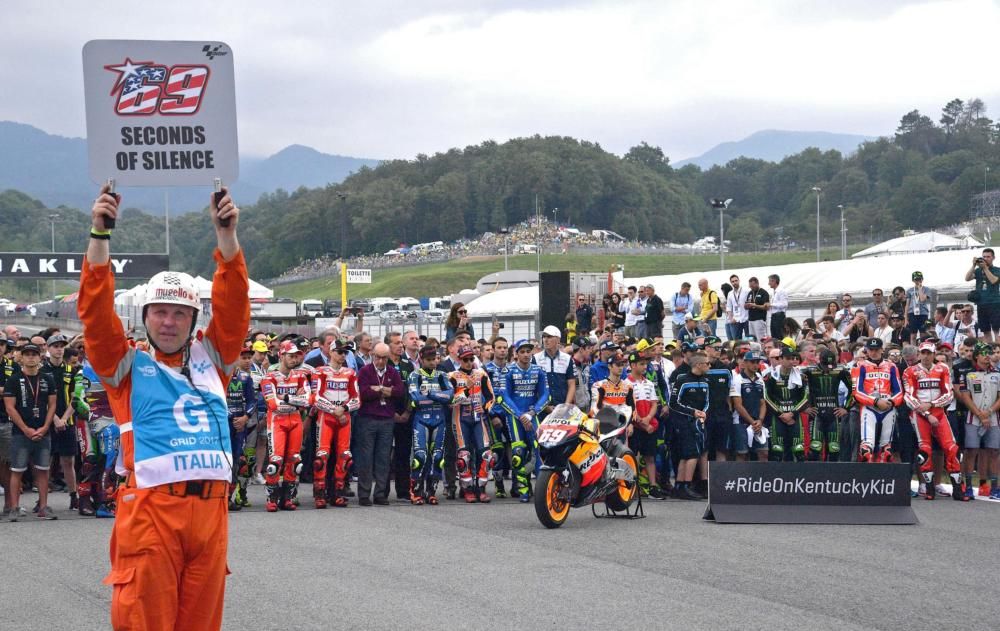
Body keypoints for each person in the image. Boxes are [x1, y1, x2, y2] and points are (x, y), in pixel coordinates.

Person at [79, 182, 248, 631]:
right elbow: (95, 314)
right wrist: (99, 235)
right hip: (152, 514)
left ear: (194, 319)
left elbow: (234, 309)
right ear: (145, 316)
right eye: (160, 312)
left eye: (179, 313)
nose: (169, 321)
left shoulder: (213, 360)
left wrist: (226, 238)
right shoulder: (125, 365)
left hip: (211, 518)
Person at [905, 341, 966, 500]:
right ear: (919, 354)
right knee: (925, 449)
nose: (925, 356)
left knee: (952, 448)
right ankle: (929, 488)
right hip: (919, 415)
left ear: (933, 354)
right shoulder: (910, 371)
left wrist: (932, 405)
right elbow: (909, 398)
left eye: (929, 353)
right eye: (923, 353)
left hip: (938, 412)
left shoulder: (943, 368)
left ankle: (958, 490)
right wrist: (926, 413)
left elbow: (949, 394)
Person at [4, 343, 58, 520]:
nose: (30, 357)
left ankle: (43, 507)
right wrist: (25, 429)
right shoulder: (13, 379)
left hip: (43, 432)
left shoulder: (47, 379)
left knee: (43, 470)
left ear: (40, 356)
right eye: (27, 354)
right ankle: (14, 508)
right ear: (21, 357)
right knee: (17, 470)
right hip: (21, 433)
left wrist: (45, 427)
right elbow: (10, 408)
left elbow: (52, 405)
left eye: (34, 354)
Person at [260, 341, 312, 511]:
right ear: (281, 356)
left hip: (296, 420)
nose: (294, 359)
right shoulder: (269, 378)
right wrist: (294, 401)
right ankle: (272, 498)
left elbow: (309, 400)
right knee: (276, 460)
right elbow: (273, 404)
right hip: (277, 421)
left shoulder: (300, 376)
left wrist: (288, 400)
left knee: (295, 460)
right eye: (290, 356)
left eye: (296, 356)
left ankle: (288, 497)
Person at [499, 339, 550, 501]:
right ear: (516, 354)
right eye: (522, 352)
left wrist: (531, 413)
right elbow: (502, 397)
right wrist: (520, 415)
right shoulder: (507, 371)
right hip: (515, 418)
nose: (526, 354)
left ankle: (542, 489)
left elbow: (546, 396)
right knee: (518, 453)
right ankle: (523, 490)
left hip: (532, 415)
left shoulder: (539, 371)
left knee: (539, 451)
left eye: (529, 351)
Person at [311, 339, 360, 508]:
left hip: (344, 418)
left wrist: (344, 408)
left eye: (345, 352)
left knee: (345, 456)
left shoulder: (350, 373)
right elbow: (315, 397)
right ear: (331, 352)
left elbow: (357, 399)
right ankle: (319, 493)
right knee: (322, 456)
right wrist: (334, 410)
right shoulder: (320, 372)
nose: (342, 355)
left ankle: (338, 492)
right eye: (339, 352)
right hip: (326, 417)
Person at [355, 342, 405, 505]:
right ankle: (364, 494)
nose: (381, 361)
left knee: (383, 457)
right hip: (367, 418)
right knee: (366, 457)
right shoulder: (364, 371)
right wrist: (385, 390)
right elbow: (363, 392)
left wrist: (380, 389)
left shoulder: (392, 372)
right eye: (378, 357)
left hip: (386, 419)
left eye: (384, 358)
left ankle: (380, 493)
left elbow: (399, 392)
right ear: (372, 356)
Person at [407, 346, 454, 505]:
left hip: (439, 419)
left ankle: (431, 492)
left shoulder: (442, 375)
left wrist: (431, 394)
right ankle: (416, 491)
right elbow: (416, 398)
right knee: (420, 457)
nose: (433, 362)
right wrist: (439, 397)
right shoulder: (415, 375)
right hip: (421, 420)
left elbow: (450, 396)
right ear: (421, 359)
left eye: (434, 359)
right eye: (429, 360)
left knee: (438, 458)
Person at [448, 346, 496, 503]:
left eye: (471, 359)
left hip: (478, 419)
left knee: (487, 455)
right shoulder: (452, 376)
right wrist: (467, 390)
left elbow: (491, 397)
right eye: (465, 359)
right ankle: (467, 488)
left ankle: (481, 488)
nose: (469, 362)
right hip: (460, 420)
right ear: (459, 360)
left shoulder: (481, 374)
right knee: (464, 456)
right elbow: (450, 401)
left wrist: (485, 408)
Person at [41, 332, 82, 511]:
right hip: (46, 422)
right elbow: (39, 399)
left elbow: (76, 397)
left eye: (61, 346)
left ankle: (74, 496)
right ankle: (42, 500)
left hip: (67, 421)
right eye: (55, 346)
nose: (58, 350)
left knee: (68, 461)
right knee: (44, 461)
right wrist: (55, 419)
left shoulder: (71, 370)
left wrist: (64, 418)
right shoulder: (41, 370)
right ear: (48, 349)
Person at [956, 343, 999, 500]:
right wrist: (979, 414)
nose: (987, 356)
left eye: (989, 353)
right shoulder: (968, 374)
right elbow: (965, 397)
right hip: (973, 417)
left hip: (993, 417)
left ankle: (994, 488)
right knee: (971, 451)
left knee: (994, 451)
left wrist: (988, 412)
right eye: (983, 353)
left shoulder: (998, 374)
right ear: (976, 356)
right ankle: (967, 487)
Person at [852, 338, 904, 462]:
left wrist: (891, 402)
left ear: (882, 350)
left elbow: (899, 391)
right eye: (871, 349)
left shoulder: (892, 366)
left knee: (887, 450)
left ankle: (884, 480)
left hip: (888, 407)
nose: (874, 352)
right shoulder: (859, 366)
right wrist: (875, 401)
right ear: (867, 350)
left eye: (876, 349)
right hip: (868, 408)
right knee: (866, 450)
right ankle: (866, 479)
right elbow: (856, 392)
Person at [669, 351, 710, 499]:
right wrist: (692, 412)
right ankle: (685, 486)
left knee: (691, 453)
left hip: (699, 421)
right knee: (691, 453)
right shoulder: (683, 380)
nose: (709, 366)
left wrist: (703, 413)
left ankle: (680, 486)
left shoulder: (705, 380)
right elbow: (673, 403)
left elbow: (706, 401)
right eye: (707, 363)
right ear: (698, 365)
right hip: (683, 421)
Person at [804, 350, 853, 462]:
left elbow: (853, 389)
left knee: (834, 449)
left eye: (831, 366)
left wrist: (846, 408)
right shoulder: (809, 371)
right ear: (819, 361)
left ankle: (832, 478)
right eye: (826, 365)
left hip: (834, 414)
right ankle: (813, 477)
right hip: (816, 415)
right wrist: (805, 407)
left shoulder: (840, 370)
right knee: (815, 448)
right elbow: (797, 387)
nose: (829, 369)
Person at [764, 346, 809, 461]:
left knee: (799, 450)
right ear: (780, 359)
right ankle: (776, 478)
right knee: (777, 450)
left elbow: (806, 398)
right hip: (777, 417)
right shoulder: (770, 376)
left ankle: (799, 478)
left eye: (793, 358)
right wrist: (781, 414)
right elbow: (766, 397)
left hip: (794, 416)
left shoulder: (801, 376)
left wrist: (792, 413)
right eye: (788, 358)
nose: (791, 361)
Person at [226, 345, 256, 511]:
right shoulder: (220, 376)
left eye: (249, 357)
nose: (247, 361)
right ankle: (219, 496)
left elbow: (252, 401)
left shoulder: (246, 378)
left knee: (238, 461)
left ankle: (229, 497)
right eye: (243, 357)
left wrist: (245, 418)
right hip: (223, 424)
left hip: (240, 426)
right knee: (223, 461)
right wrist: (230, 416)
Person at [730, 351, 767, 461]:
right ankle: (739, 478)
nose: (756, 365)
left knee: (763, 453)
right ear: (745, 363)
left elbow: (763, 402)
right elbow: (737, 405)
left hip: (758, 422)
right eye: (752, 362)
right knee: (742, 454)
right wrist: (752, 422)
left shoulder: (760, 379)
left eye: (757, 362)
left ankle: (762, 477)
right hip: (741, 422)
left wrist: (760, 420)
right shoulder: (737, 379)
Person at [965, 249, 1000, 342]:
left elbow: (994, 280)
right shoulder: (978, 270)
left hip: (994, 303)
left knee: (996, 330)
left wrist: (985, 268)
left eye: (988, 257)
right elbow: (967, 278)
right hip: (981, 304)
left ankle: (998, 352)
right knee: (985, 330)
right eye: (984, 256)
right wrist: (973, 265)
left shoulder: (997, 270)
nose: (985, 259)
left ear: (993, 258)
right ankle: (989, 351)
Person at [905, 271, 932, 336]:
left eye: (919, 279)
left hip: (923, 313)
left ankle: (922, 345)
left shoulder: (926, 289)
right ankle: (913, 346)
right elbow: (907, 305)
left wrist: (920, 289)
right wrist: (906, 318)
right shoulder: (909, 290)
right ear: (913, 280)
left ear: (922, 279)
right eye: (916, 279)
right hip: (912, 313)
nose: (918, 281)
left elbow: (922, 299)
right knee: (913, 335)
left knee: (923, 334)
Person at [725, 274, 750, 342]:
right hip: (736, 319)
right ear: (731, 283)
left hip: (746, 318)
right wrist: (731, 318)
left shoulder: (746, 291)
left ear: (739, 281)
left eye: (736, 280)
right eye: (732, 281)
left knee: (748, 338)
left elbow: (750, 302)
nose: (734, 282)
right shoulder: (730, 293)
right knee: (737, 340)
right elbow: (729, 307)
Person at [745, 277, 769, 342]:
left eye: (752, 286)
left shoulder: (764, 292)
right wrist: (746, 306)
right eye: (750, 286)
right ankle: (753, 351)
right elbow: (746, 304)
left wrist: (755, 305)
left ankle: (762, 351)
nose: (751, 288)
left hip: (759, 319)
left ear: (757, 283)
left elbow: (766, 307)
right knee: (751, 340)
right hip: (750, 319)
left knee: (760, 339)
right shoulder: (750, 293)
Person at [766, 274, 788, 340]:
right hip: (774, 316)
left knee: (779, 335)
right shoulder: (774, 292)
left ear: (774, 281)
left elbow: (785, 304)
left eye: (770, 281)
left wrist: (771, 305)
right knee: (774, 335)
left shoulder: (781, 291)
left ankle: (780, 349)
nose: (768, 283)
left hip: (779, 316)